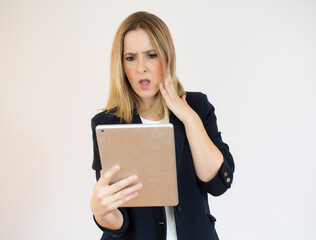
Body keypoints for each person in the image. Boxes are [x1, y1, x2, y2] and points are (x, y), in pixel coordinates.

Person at [90, 11, 234, 240]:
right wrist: (101, 211)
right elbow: (120, 221)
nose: (141, 68)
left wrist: (189, 118)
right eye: (130, 57)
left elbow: (217, 183)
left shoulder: (197, 106)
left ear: (166, 57)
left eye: (151, 55)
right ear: (121, 65)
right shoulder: (106, 123)